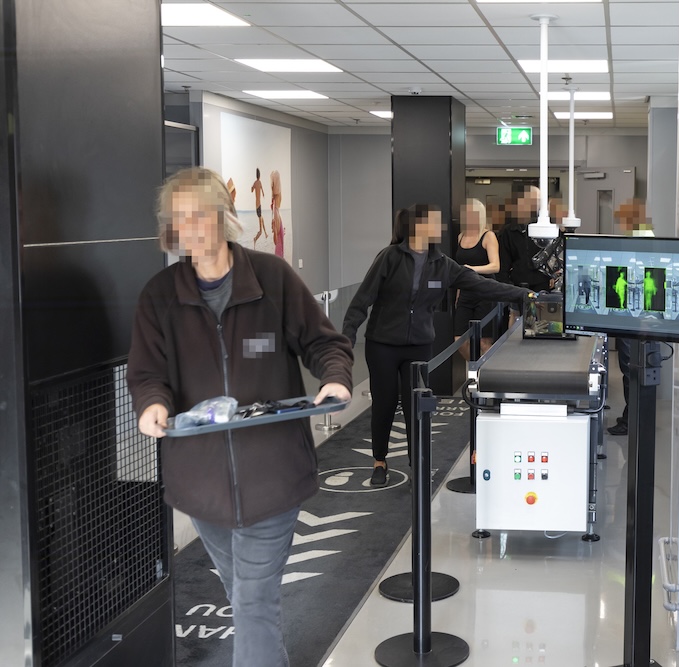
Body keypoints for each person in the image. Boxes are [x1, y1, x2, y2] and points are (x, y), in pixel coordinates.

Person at [126, 167, 353, 667]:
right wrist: (152, 404)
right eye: (179, 219)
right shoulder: (159, 296)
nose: (190, 228)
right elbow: (146, 373)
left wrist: (335, 378)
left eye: (200, 215)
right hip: (200, 483)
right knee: (245, 594)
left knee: (251, 600)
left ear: (224, 218)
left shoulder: (271, 279)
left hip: (272, 473)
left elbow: (324, 343)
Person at [342, 204, 533, 487]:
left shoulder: (443, 264)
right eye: (433, 222)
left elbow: (483, 285)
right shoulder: (390, 257)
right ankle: (379, 461)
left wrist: (524, 294)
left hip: (419, 345)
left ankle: (416, 463)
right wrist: (346, 340)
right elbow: (362, 299)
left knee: (416, 405)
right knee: (384, 402)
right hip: (382, 344)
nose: (439, 227)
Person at [609, 198, 654, 437]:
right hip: (635, 315)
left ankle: (632, 421)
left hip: (633, 317)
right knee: (632, 369)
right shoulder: (642, 237)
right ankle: (633, 417)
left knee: (631, 369)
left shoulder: (640, 240)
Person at [453, 198, 500, 360]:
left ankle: (485, 372)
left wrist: (472, 269)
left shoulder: (488, 236)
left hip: (485, 292)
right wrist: (458, 294)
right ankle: (475, 366)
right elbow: (459, 270)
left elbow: (495, 266)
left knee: (484, 342)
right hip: (466, 293)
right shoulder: (461, 237)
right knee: (459, 341)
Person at [270, 170, 285, 259]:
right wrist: (275, 231)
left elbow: (277, 239)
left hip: (279, 257)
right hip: (279, 258)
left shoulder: (277, 211)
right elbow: (275, 241)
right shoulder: (276, 212)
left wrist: (281, 231)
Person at [251, 167, 267, 245]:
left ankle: (266, 234)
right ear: (259, 176)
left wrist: (252, 187)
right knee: (260, 231)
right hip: (259, 207)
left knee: (262, 219)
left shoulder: (255, 183)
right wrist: (263, 194)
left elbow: (252, 190)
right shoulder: (260, 182)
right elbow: (262, 191)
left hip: (257, 206)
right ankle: (255, 239)